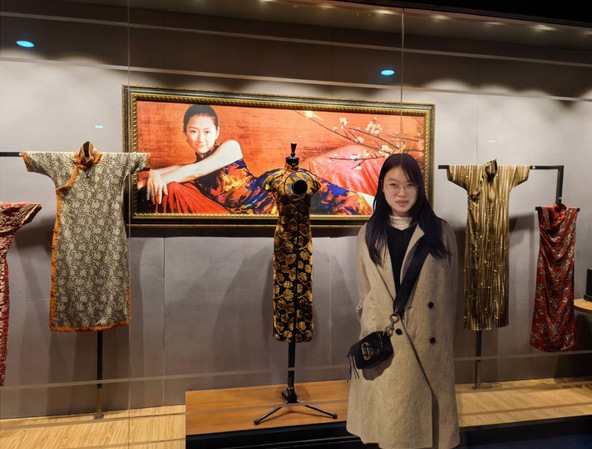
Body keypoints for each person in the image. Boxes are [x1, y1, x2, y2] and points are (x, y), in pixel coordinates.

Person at [346, 154, 460, 449]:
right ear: (382, 188)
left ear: (420, 188)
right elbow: (364, 290)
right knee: (392, 425)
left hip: (428, 342)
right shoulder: (368, 233)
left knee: (425, 430)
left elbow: (450, 292)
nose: (401, 192)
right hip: (386, 341)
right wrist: (370, 320)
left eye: (409, 185)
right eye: (393, 184)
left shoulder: (441, 232)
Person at [137, 104, 373, 215]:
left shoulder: (229, 147)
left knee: (343, 200)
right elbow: (149, 178)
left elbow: (194, 171)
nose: (201, 138)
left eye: (207, 131)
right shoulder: (190, 167)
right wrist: (154, 173)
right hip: (255, 212)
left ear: (217, 133)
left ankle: (377, 201)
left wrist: (160, 175)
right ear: (185, 134)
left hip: (270, 193)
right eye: (194, 131)